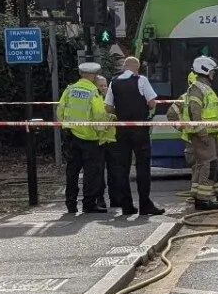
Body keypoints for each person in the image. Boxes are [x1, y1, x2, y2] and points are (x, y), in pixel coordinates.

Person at [104, 56, 165, 216]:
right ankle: (145, 204)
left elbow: (108, 108)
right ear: (136, 68)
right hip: (139, 129)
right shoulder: (141, 80)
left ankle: (126, 205)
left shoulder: (114, 82)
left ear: (125, 67)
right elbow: (152, 103)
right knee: (142, 167)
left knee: (122, 168)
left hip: (121, 130)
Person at [56, 62, 109, 214]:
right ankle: (89, 204)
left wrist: (66, 127)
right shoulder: (93, 92)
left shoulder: (70, 89)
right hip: (90, 139)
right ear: (93, 76)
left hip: (72, 137)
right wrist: (101, 132)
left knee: (72, 171)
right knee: (91, 173)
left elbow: (60, 110)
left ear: (81, 74)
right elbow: (99, 115)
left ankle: (70, 203)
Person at [179, 56, 218, 211]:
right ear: (205, 70)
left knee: (208, 165)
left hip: (210, 134)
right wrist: (202, 134)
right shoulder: (198, 88)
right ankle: (202, 200)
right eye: (213, 71)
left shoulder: (204, 88)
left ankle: (203, 198)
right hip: (204, 135)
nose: (214, 74)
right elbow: (195, 113)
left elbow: (212, 108)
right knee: (208, 166)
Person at [95, 74, 118, 210]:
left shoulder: (111, 97)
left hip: (112, 139)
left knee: (114, 172)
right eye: (101, 85)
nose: (104, 88)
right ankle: (100, 199)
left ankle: (115, 198)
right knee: (98, 172)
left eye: (105, 85)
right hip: (98, 140)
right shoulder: (95, 98)